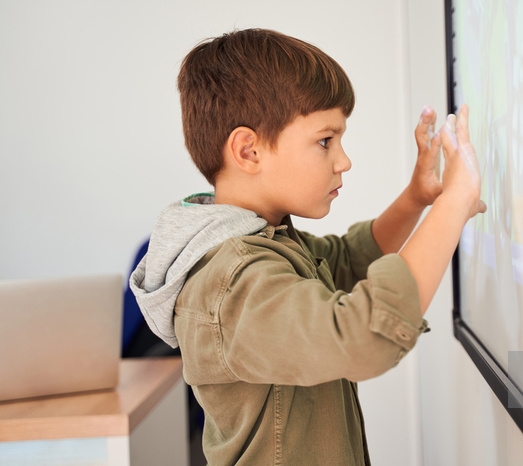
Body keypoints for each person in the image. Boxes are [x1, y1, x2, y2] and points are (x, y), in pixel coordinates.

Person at [130, 28, 486, 465]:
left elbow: (346, 259)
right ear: (249, 151)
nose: (344, 160)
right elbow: (363, 337)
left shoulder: (263, 239)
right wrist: (453, 204)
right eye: (325, 141)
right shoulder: (233, 282)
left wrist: (417, 198)